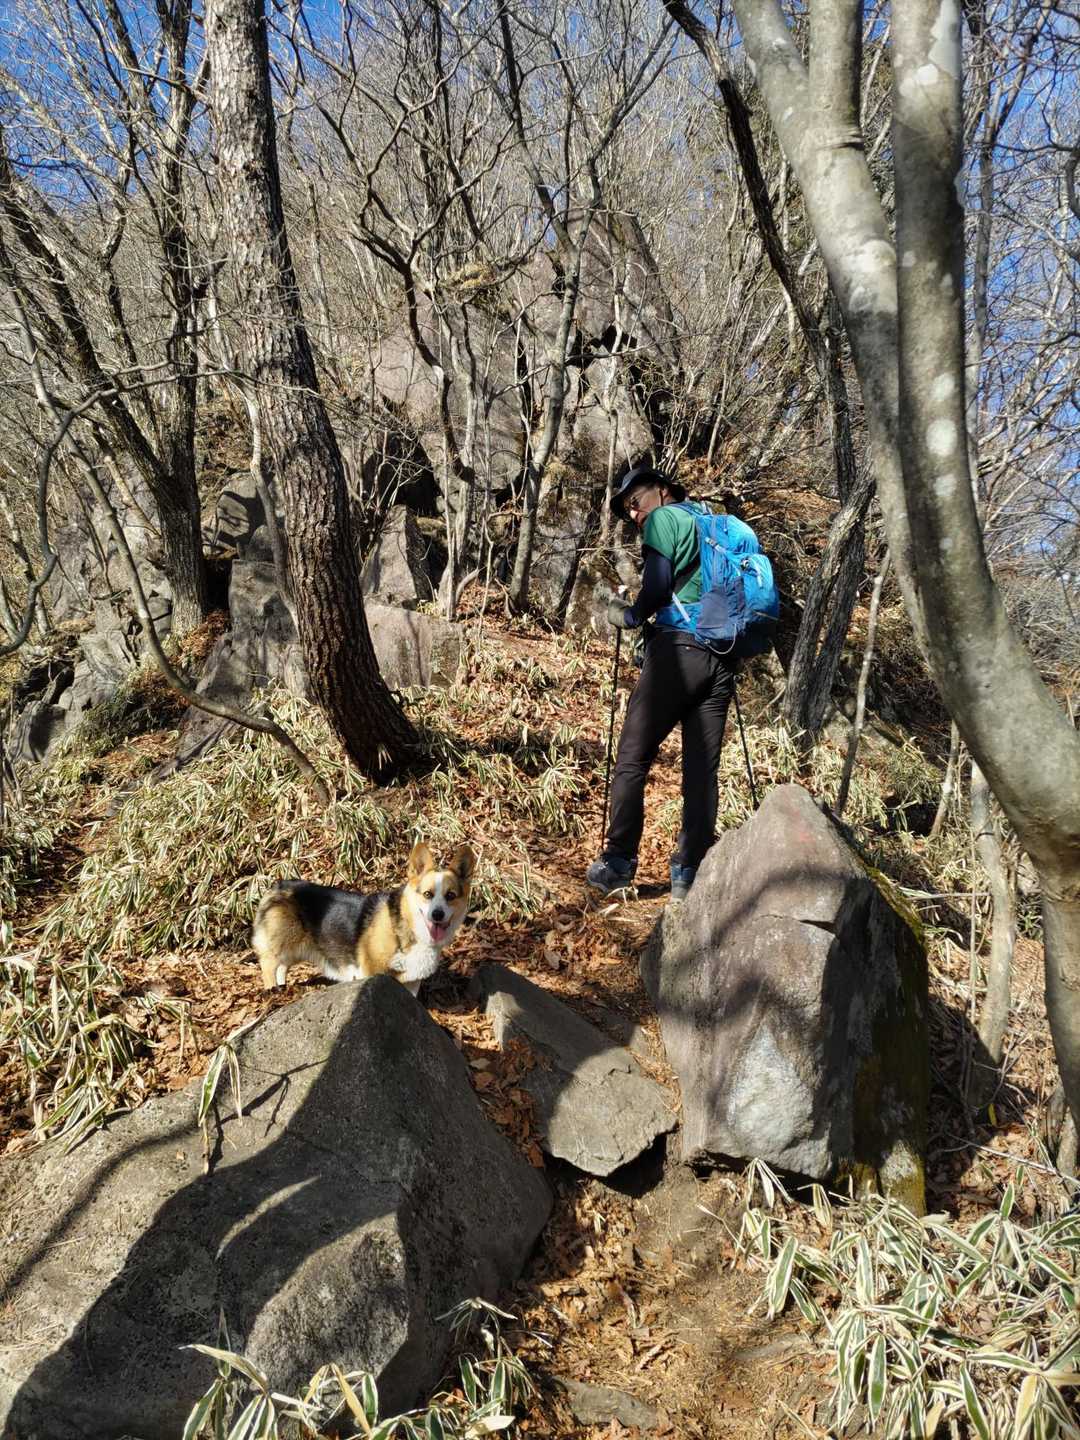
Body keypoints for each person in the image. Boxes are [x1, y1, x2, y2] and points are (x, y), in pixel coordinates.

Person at [586, 463, 737, 902]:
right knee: (701, 772)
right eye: (628, 510)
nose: (635, 514)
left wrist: (630, 615)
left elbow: (657, 585)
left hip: (679, 654)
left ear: (663, 489)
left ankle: (617, 863)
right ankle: (689, 872)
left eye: (636, 502)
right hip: (722, 658)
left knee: (632, 757)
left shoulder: (665, 519)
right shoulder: (712, 522)